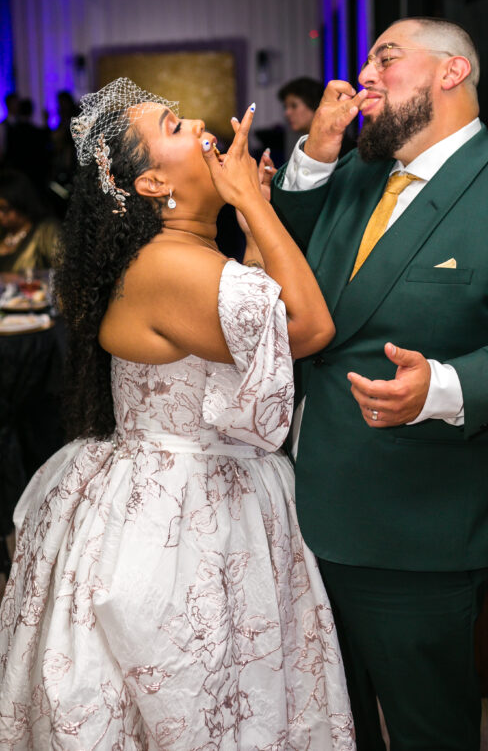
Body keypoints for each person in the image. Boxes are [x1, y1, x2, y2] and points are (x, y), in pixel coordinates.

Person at [271, 17, 488, 750]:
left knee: (428, 729)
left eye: (386, 57)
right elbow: (290, 276)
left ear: (452, 72)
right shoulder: (355, 175)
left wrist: (445, 386)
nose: (365, 77)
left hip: (421, 523)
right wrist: (315, 159)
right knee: (333, 718)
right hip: (310, 503)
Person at [0, 78, 355, 749]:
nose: (197, 123)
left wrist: (252, 217)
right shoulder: (170, 266)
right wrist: (253, 201)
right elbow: (307, 328)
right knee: (204, 700)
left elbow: (249, 319)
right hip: (187, 519)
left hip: (175, 490)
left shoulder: (181, 256)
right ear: (153, 186)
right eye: (171, 125)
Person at [278, 76, 355, 159]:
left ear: (314, 104)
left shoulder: (339, 148)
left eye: (294, 106)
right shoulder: (305, 145)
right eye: (285, 107)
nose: (287, 113)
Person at [0, 170, 60, 272]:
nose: (0, 215)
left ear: (21, 204)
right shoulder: (3, 232)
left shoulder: (45, 231)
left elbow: (66, 272)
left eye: (5, 209)